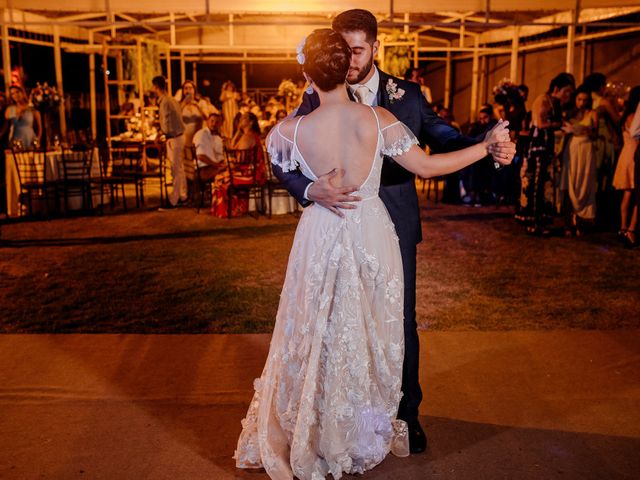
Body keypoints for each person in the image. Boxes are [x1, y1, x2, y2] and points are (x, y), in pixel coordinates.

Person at [235, 28, 511, 480]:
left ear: (305, 72)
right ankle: (360, 429)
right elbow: (428, 165)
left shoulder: (287, 130)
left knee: (316, 328)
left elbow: (279, 163)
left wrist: (311, 187)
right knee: (366, 331)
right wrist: (484, 147)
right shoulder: (377, 118)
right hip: (371, 232)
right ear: (347, 67)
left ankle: (315, 428)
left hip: (320, 232)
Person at [519, 72, 575, 235]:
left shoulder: (553, 102)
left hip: (544, 149)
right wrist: (561, 124)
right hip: (537, 149)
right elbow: (540, 123)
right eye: (566, 92)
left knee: (542, 184)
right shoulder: (543, 100)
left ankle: (538, 219)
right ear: (557, 89)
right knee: (536, 185)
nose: (568, 96)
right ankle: (534, 223)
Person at [560, 86, 598, 235]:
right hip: (573, 149)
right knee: (571, 181)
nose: (581, 102)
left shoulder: (592, 113)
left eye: (585, 100)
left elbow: (595, 134)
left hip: (586, 149)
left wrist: (582, 129)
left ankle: (583, 220)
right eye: (579, 99)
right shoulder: (570, 114)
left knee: (585, 181)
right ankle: (569, 220)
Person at [151, 75, 187, 207]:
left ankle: (174, 200)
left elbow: (166, 124)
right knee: (179, 169)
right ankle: (182, 196)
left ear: (156, 87)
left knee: (175, 170)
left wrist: (160, 134)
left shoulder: (165, 102)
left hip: (174, 138)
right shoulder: (171, 100)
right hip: (179, 136)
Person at [584, 73, 620, 193]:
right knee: (603, 173)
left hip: (588, 138)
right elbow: (617, 120)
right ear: (600, 86)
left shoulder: (585, 99)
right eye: (604, 85)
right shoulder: (603, 101)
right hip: (603, 138)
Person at [613, 86, 640, 247]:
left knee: (627, 195)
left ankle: (623, 227)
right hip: (633, 155)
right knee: (636, 195)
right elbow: (636, 138)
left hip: (625, 154)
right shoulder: (634, 117)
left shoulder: (625, 117)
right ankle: (631, 229)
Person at [193, 112, 226, 181]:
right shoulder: (202, 134)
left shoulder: (216, 137)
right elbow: (200, 156)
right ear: (207, 121)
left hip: (211, 167)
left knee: (231, 169)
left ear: (220, 124)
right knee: (230, 173)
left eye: (217, 122)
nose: (214, 124)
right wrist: (216, 165)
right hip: (202, 170)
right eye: (212, 121)